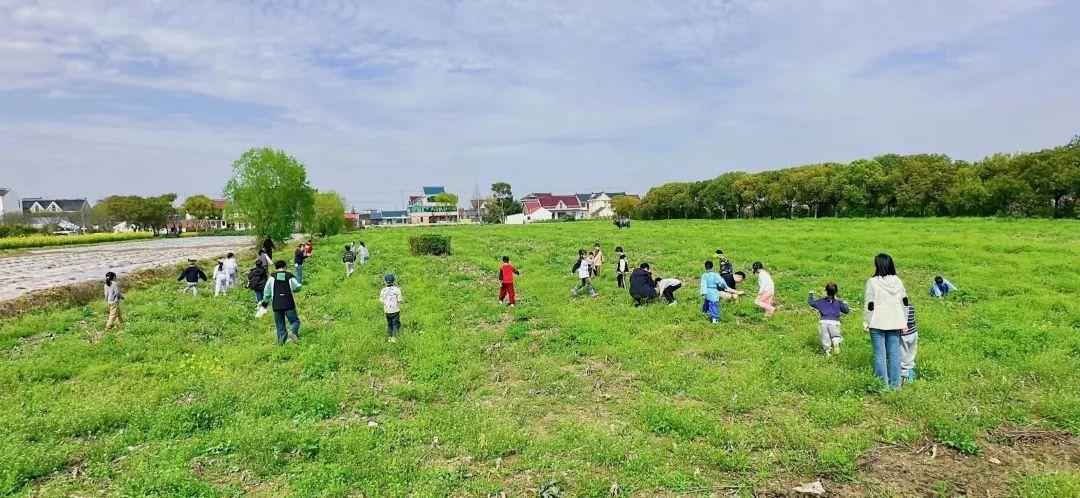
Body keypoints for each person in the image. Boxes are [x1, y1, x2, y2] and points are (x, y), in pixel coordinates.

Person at [863, 253, 911, 389]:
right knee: (894, 354)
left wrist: (866, 322)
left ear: (877, 265)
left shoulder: (872, 281)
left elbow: (869, 303)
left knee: (880, 354)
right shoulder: (898, 281)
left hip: (877, 321)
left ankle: (882, 386)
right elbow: (905, 302)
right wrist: (905, 322)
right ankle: (896, 386)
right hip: (895, 321)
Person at [261, 260, 302, 345]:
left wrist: (265, 302)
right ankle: (293, 332)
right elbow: (297, 287)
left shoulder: (272, 277)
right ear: (285, 266)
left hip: (276, 303)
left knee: (280, 325)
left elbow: (267, 291)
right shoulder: (289, 276)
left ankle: (281, 343)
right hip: (288, 302)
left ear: (276, 268)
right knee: (295, 321)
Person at [809, 283, 851, 356]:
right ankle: (835, 343)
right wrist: (845, 303)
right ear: (836, 292)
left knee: (825, 339)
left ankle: (828, 353)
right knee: (835, 336)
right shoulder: (838, 302)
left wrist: (810, 294)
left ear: (826, 291)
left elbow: (812, 303)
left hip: (823, 322)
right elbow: (846, 311)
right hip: (835, 322)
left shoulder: (821, 301)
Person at [380, 274, 403, 342]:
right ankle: (394, 337)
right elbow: (400, 300)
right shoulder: (397, 289)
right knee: (395, 323)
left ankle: (389, 336)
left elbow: (381, 300)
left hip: (387, 310)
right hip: (395, 310)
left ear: (385, 281)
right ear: (393, 281)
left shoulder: (383, 290)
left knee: (389, 323)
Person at [900, 304, 919, 382]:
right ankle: (911, 376)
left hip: (904, 335)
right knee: (911, 355)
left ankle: (904, 377)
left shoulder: (899, 308)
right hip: (914, 333)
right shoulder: (911, 306)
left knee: (903, 356)